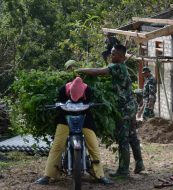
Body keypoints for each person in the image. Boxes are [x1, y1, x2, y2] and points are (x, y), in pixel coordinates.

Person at [76, 44, 145, 177]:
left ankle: (124, 170)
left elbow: (98, 72)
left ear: (121, 56)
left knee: (123, 138)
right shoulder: (122, 67)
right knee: (132, 136)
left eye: (113, 54)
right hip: (131, 106)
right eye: (111, 53)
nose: (111, 56)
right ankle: (139, 164)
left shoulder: (117, 66)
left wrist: (80, 70)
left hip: (124, 109)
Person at [35, 77, 113, 185]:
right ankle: (48, 175)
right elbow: (59, 102)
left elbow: (89, 104)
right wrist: (59, 105)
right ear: (69, 91)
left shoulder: (88, 90)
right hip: (65, 119)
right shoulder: (63, 89)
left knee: (93, 145)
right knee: (57, 146)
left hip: (85, 119)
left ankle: (99, 175)